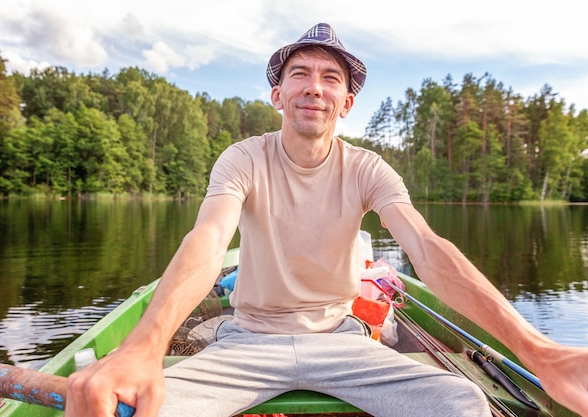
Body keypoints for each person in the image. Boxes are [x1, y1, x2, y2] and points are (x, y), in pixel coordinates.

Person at [66, 23, 588, 417]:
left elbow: (426, 249)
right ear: (278, 96)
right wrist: (143, 347)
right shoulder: (243, 158)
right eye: (300, 74)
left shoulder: (367, 168)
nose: (315, 87)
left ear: (346, 102)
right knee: (128, 406)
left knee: (462, 403)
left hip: (342, 341)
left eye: (330, 78)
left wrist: (536, 349)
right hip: (248, 340)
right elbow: (208, 238)